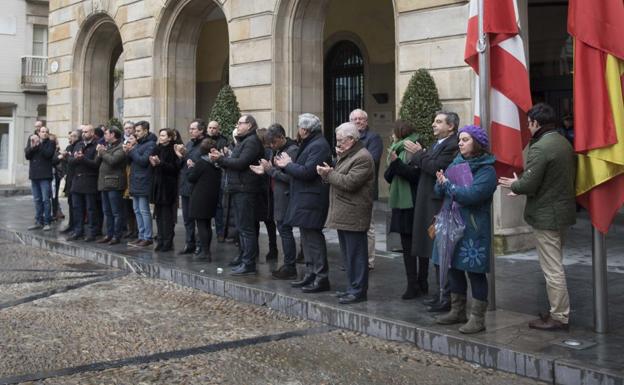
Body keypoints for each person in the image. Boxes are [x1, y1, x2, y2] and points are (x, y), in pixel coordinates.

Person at [499, 103, 576, 331]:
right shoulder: (562, 142)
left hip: (547, 215)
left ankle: (559, 316)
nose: (527, 126)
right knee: (556, 264)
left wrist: (516, 184)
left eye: (528, 122)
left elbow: (530, 182)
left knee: (552, 268)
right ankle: (559, 311)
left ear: (536, 123)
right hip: (561, 212)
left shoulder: (541, 147)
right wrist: (522, 187)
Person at [434, 125, 497, 334]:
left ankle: (478, 318)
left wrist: (449, 186)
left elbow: (472, 195)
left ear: (477, 143)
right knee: (454, 267)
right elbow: (438, 189)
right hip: (452, 224)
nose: (460, 143)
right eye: (460, 139)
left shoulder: (487, 170)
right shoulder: (457, 161)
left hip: (474, 227)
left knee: (475, 272)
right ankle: (457, 311)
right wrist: (443, 184)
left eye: (465, 139)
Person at [405, 111, 459, 312]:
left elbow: (436, 167)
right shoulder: (437, 144)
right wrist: (420, 157)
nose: (433, 124)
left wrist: (419, 155)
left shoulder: (452, 144)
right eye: (434, 121)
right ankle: (440, 293)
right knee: (435, 251)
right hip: (427, 200)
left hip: (438, 205)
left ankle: (447, 296)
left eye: (438, 122)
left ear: (450, 126)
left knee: (441, 250)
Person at [318, 122, 374, 304]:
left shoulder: (362, 157)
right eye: (337, 140)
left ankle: (358, 290)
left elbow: (349, 182)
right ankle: (352, 287)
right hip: (344, 212)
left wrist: (329, 174)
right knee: (348, 254)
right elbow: (339, 178)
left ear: (352, 139)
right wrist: (328, 174)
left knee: (356, 254)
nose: (338, 143)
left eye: (341, 140)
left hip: (354, 212)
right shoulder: (347, 154)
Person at [275, 113, 332, 293]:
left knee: (313, 238)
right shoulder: (311, 143)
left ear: (305, 130)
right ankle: (310, 274)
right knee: (306, 238)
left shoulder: (319, 145)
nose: (298, 130)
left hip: (312, 198)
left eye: (299, 127)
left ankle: (321, 277)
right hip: (303, 197)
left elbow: (308, 172)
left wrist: (287, 165)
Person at [210, 114, 264, 276]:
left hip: (245, 189)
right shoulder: (244, 141)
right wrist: (222, 158)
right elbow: (235, 160)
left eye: (240, 123)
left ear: (250, 125)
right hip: (238, 188)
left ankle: (249, 262)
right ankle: (242, 256)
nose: (237, 126)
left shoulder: (252, 142)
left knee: (246, 228)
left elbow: (241, 163)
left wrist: (221, 159)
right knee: (241, 227)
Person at [250, 123, 299, 279]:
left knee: (285, 231)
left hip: (286, 197)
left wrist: (270, 171)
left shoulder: (292, 151)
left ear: (281, 137)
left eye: (273, 142)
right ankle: (287, 264)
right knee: (283, 230)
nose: (271, 146)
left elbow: (291, 178)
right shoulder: (277, 150)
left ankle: (290, 266)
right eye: (269, 144)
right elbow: (274, 171)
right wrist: (265, 171)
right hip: (275, 195)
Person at [384, 120, 423, 299]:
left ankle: (421, 282)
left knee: (420, 247)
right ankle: (412, 284)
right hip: (401, 205)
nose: (391, 135)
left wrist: (396, 164)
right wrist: (394, 163)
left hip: (414, 203)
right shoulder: (396, 149)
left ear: (399, 132)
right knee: (406, 247)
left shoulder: (415, 147)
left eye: (393, 132)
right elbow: (388, 176)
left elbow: (415, 175)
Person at [350, 109, 383, 270]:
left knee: (367, 226)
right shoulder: (348, 138)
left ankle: (368, 261)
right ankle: (354, 259)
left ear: (366, 121)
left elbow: (373, 160)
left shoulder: (373, 138)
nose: (358, 121)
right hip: (349, 186)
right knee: (352, 226)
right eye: (355, 119)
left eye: (361, 119)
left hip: (366, 188)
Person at [187, 138, 222, 260]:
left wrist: (191, 167)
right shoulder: (217, 163)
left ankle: (205, 252)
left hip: (200, 197)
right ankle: (206, 250)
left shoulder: (202, 163)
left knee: (201, 225)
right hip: (212, 197)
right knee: (207, 224)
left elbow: (191, 178)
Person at [176, 119, 206, 255]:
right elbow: (183, 163)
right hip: (186, 184)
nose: (191, 131)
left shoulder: (205, 144)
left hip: (198, 186)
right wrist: (181, 155)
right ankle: (190, 243)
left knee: (198, 218)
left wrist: (194, 164)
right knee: (187, 218)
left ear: (201, 130)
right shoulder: (189, 143)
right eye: (190, 129)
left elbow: (205, 162)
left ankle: (201, 245)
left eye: (194, 129)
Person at [126, 121, 157, 247]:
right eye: (135, 131)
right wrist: (128, 151)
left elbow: (143, 161)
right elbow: (130, 161)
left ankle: (147, 237)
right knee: (136, 210)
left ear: (146, 131)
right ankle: (141, 235)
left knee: (144, 210)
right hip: (135, 180)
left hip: (144, 180)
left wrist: (132, 151)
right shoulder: (138, 144)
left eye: (138, 131)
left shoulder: (151, 145)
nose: (136, 133)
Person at [66, 125, 99, 241]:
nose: (84, 134)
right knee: (77, 207)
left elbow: (96, 164)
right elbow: (70, 161)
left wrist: (83, 159)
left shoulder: (97, 145)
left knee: (90, 208)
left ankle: (91, 232)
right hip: (77, 180)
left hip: (90, 180)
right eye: (83, 132)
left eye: (86, 132)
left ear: (92, 132)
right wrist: (77, 159)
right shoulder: (78, 144)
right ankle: (78, 230)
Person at [95, 126, 127, 245]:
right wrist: (99, 153)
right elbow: (96, 163)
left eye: (106, 134)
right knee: (107, 211)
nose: (104, 136)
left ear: (113, 134)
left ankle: (116, 235)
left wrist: (102, 152)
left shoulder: (121, 147)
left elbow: (113, 161)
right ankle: (109, 234)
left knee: (116, 212)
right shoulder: (107, 146)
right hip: (104, 183)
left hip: (114, 184)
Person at [150, 128, 180, 252]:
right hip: (157, 184)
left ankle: (168, 241)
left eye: (163, 135)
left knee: (167, 216)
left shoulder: (174, 149)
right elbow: (152, 166)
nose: (161, 137)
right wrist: (152, 163)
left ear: (170, 137)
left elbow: (175, 168)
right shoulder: (157, 148)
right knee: (158, 215)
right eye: (160, 135)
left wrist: (160, 163)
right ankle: (160, 240)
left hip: (168, 186)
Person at [24, 125, 56, 231]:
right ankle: (38, 221)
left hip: (45, 176)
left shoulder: (50, 143)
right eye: (42, 131)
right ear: (38, 133)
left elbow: (48, 155)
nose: (44, 133)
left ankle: (47, 222)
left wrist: (40, 144)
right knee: (37, 199)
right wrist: (33, 146)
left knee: (46, 199)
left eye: (46, 132)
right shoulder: (32, 141)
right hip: (34, 175)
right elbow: (27, 156)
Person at [255, 127, 279, 261]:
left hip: (262, 190)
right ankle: (272, 248)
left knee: (258, 221)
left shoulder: (263, 152)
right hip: (268, 191)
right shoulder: (271, 151)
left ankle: (257, 249)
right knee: (269, 222)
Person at [206, 120, 229, 242]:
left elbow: (224, 157)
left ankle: (220, 232)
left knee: (219, 206)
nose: (212, 130)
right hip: (206, 176)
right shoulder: (203, 140)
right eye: (210, 127)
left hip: (218, 175)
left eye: (214, 128)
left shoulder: (223, 141)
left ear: (218, 129)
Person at [59, 129, 82, 234]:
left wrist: (67, 156)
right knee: (70, 203)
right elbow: (65, 163)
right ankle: (71, 224)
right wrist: (64, 173)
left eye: (73, 136)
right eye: (70, 136)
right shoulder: (69, 147)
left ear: (77, 137)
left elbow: (73, 161)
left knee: (77, 205)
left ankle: (77, 227)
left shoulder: (79, 146)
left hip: (77, 179)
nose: (70, 138)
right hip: (69, 178)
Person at [122, 121, 137, 239]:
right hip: (124, 175)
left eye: (130, 128)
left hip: (134, 175)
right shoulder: (123, 143)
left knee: (136, 206)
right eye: (126, 128)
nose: (128, 130)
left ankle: (137, 230)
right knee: (127, 206)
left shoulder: (137, 144)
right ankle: (130, 229)